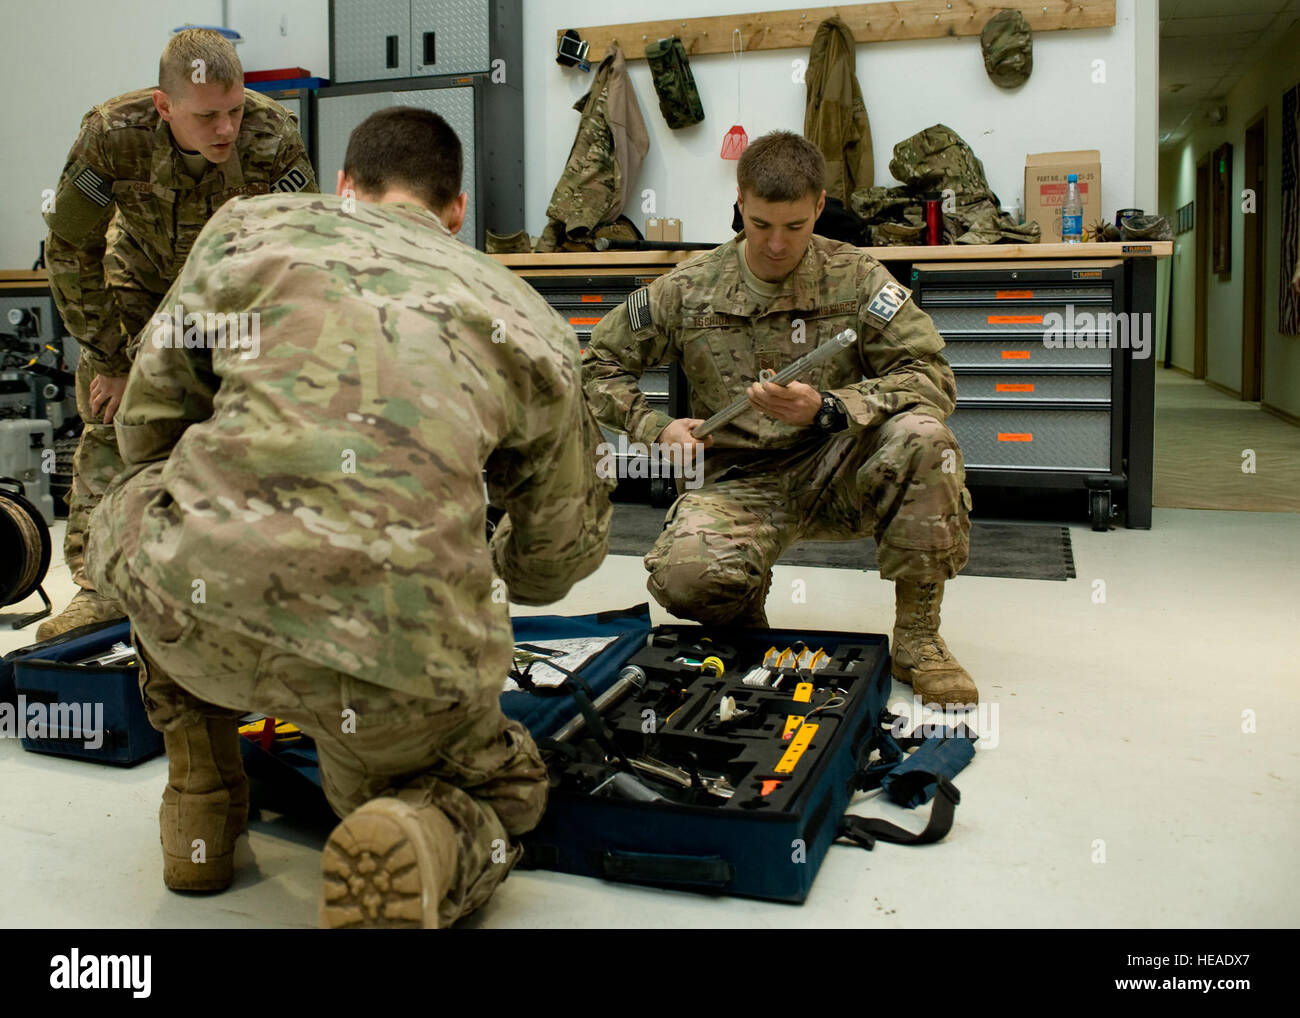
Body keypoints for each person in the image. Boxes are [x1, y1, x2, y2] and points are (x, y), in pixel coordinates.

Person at [84, 107, 614, 928]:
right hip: (392, 662)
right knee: (504, 791)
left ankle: (201, 797)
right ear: (458, 212)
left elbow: (146, 424)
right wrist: (485, 554)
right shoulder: (530, 318)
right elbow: (555, 558)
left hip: (195, 614)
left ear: (343, 187)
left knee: (139, 487)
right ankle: (414, 828)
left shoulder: (247, 230)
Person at [582, 130, 978, 708]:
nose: (775, 244)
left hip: (840, 467)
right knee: (685, 578)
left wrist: (831, 407)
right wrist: (656, 427)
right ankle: (743, 614)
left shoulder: (859, 277)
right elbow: (597, 365)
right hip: (738, 480)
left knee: (924, 437)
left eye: (794, 227)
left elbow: (932, 376)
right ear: (740, 202)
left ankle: (918, 638)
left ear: (819, 206)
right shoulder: (688, 287)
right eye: (761, 224)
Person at [39, 27, 317, 640]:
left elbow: (299, 254)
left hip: (230, 284)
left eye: (235, 109)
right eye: (207, 115)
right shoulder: (114, 134)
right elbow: (70, 244)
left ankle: (253, 581)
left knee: (254, 422)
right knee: (114, 422)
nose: (226, 129)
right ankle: (101, 591)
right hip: (137, 274)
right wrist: (109, 357)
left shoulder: (272, 136)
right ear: (165, 106)